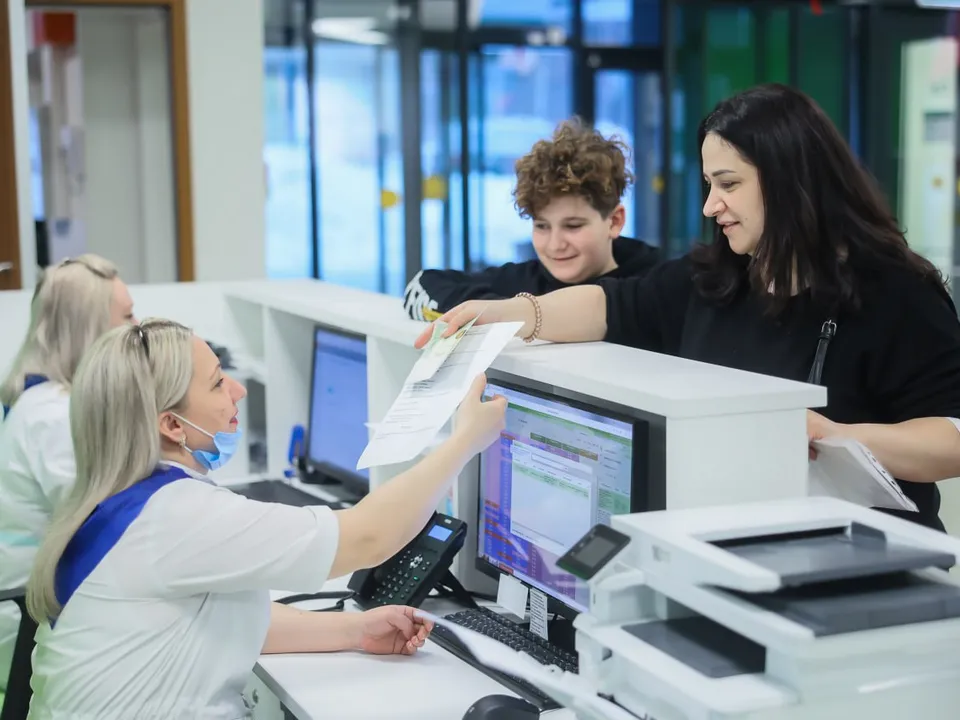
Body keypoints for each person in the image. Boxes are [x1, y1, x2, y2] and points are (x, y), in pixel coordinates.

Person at [416, 83, 960, 532]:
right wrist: (507, 314)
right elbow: (610, 304)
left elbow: (950, 440)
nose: (710, 205)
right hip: (732, 543)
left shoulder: (896, 292)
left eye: (728, 184)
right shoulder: (714, 277)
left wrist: (834, 435)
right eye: (708, 185)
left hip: (867, 559)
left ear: (792, 181)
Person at [25, 318, 506, 718]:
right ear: (171, 425)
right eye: (217, 382)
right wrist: (464, 442)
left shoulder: (115, 496)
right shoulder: (175, 515)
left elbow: (217, 617)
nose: (237, 390)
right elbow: (371, 536)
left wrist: (354, 632)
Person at [0, 254, 134, 693]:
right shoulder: (56, 415)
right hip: (25, 623)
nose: (138, 331)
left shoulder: (38, 397)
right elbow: (104, 526)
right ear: (92, 330)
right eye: (128, 317)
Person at [403, 118, 661, 321]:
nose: (555, 244)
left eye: (573, 226)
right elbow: (422, 285)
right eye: (541, 226)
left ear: (614, 221)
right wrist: (506, 312)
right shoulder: (526, 280)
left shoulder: (659, 283)